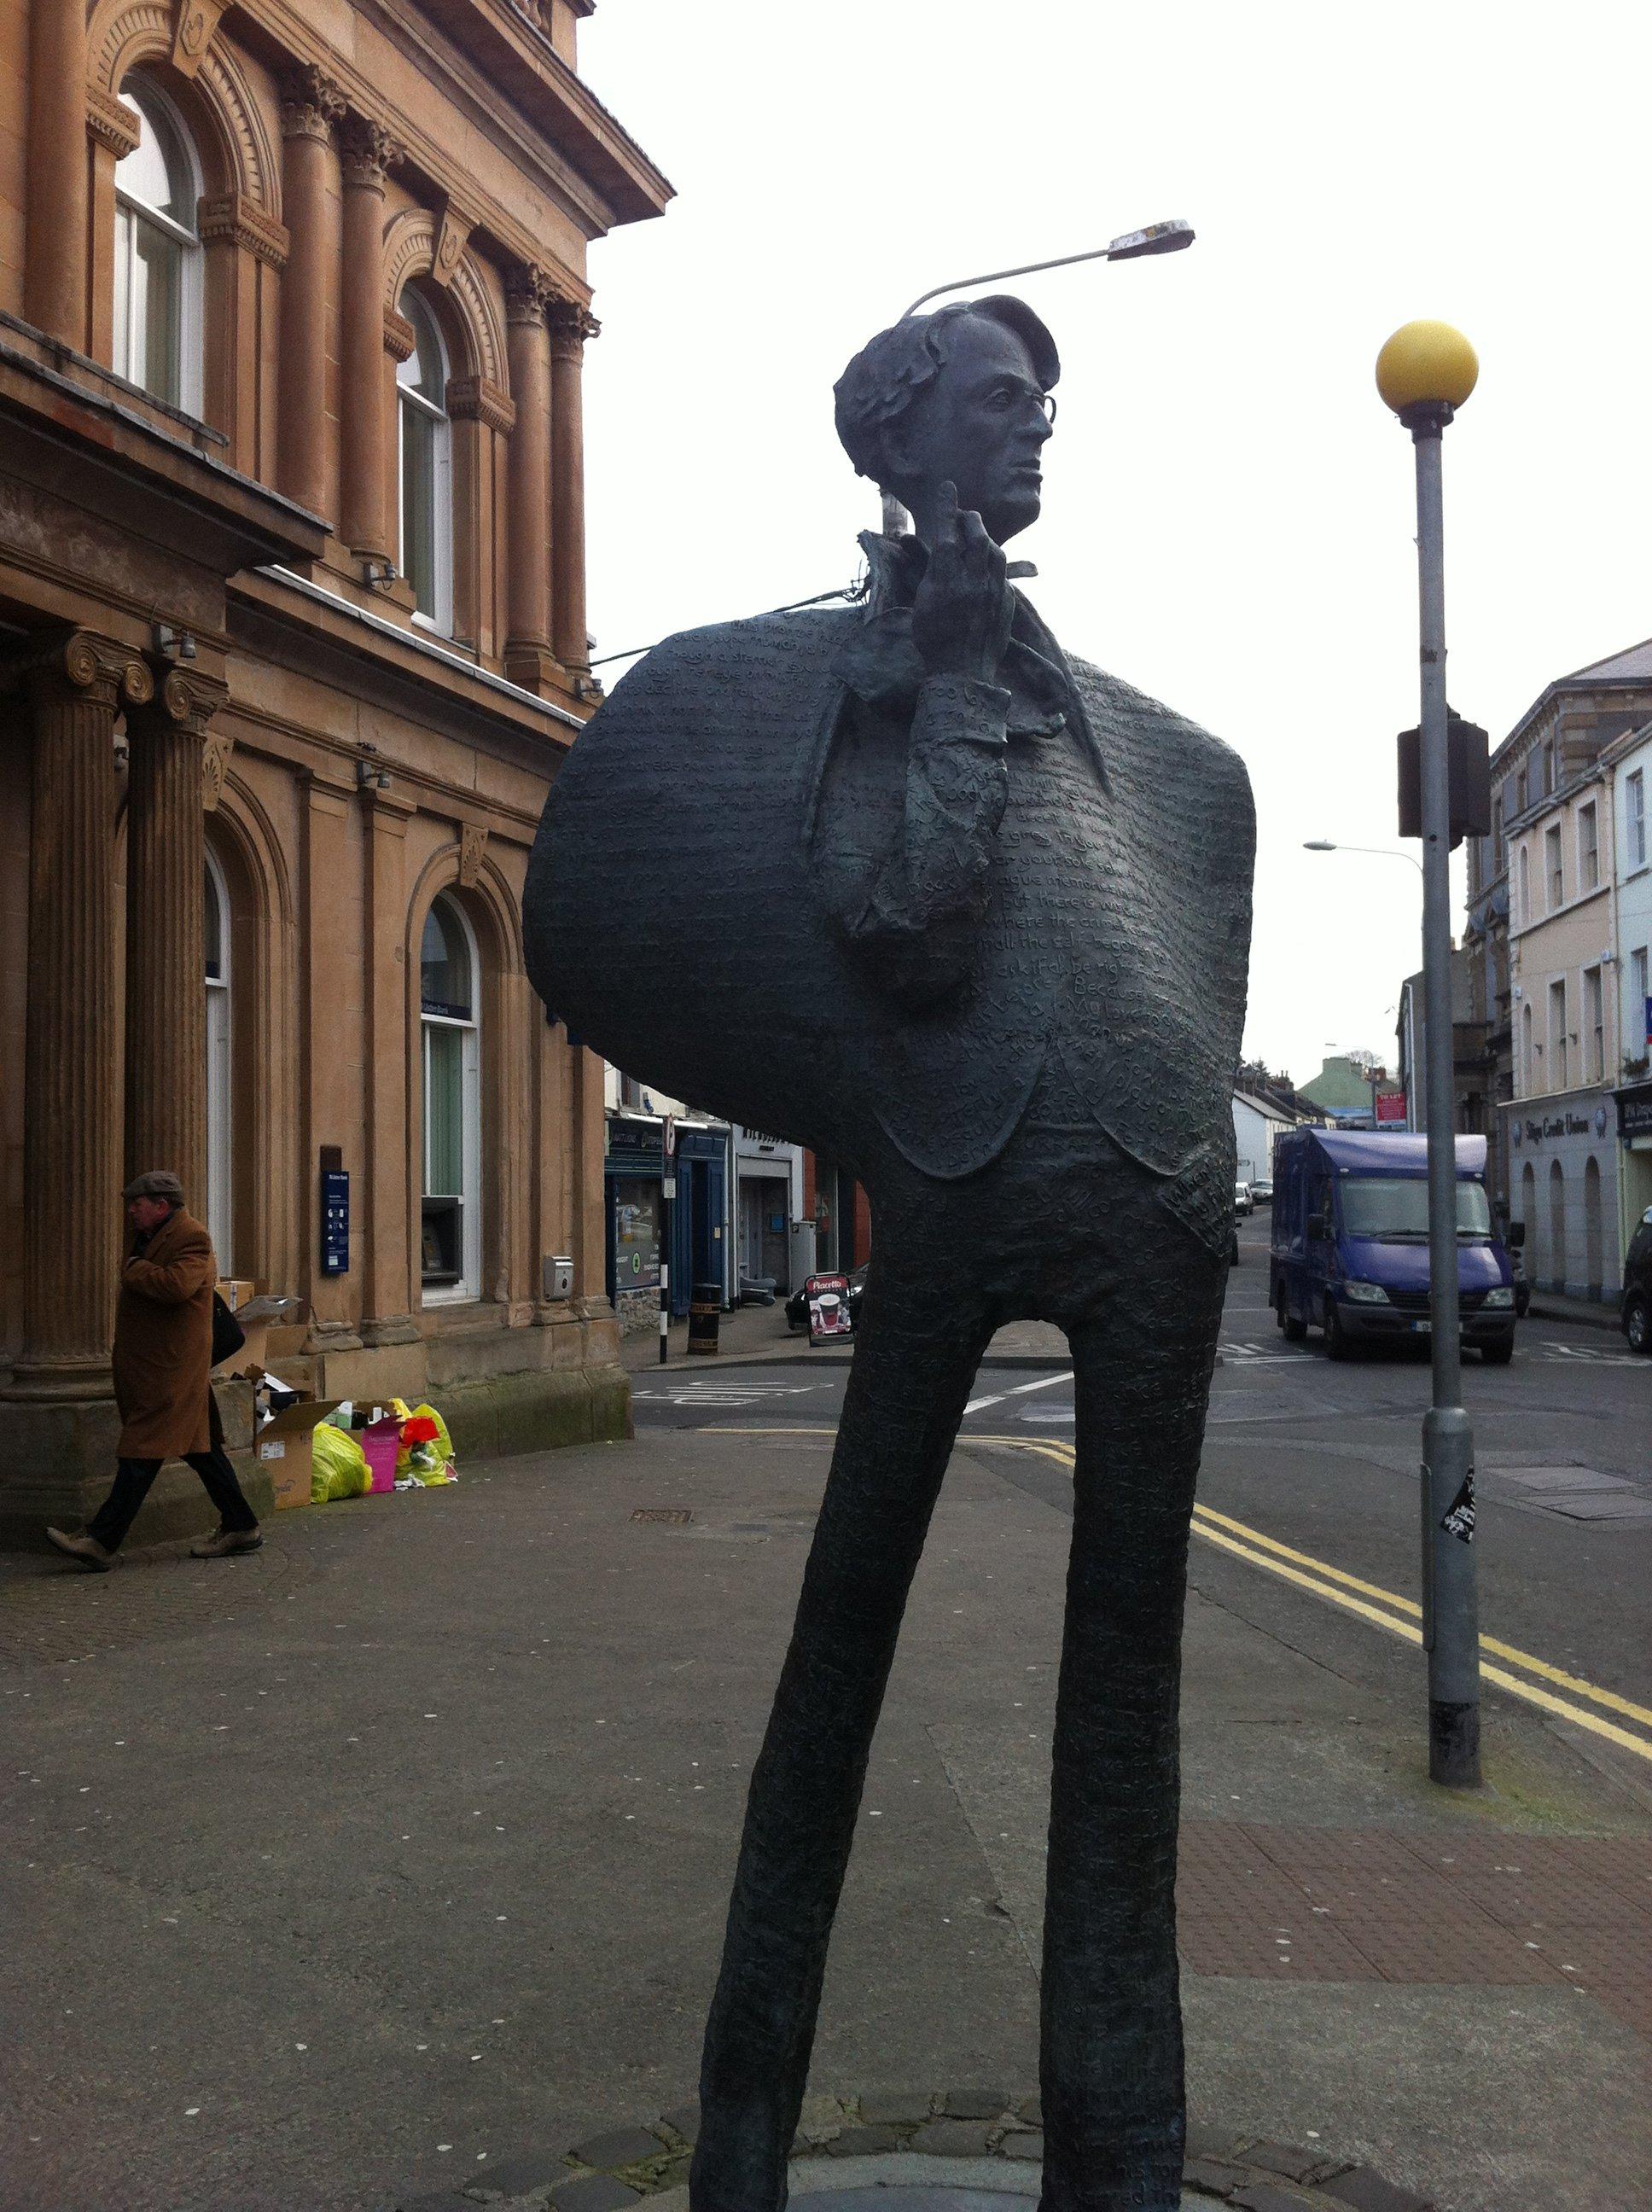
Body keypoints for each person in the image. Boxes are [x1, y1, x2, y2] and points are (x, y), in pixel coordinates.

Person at [525, 297, 1254, 2212]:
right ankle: (743, 2159)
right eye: (1003, 403)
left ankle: (1127, 2165)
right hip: (954, 1181)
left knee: (1127, 1718)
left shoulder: (1168, 755)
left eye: (1042, 406)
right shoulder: (842, 677)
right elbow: (903, 928)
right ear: (900, 437)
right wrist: (928, 686)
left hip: (1159, 1205)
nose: (1034, 437)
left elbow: (1182, 947)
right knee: (831, 1668)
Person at [47, 1171, 262, 1569]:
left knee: (141, 1452)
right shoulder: (149, 1237)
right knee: (202, 1452)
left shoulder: (191, 1237)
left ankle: (100, 1540)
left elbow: (177, 1286)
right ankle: (242, 1525)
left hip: (173, 1370)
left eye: (137, 1204)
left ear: (161, 1206)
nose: (131, 1210)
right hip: (160, 1367)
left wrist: (134, 1270)